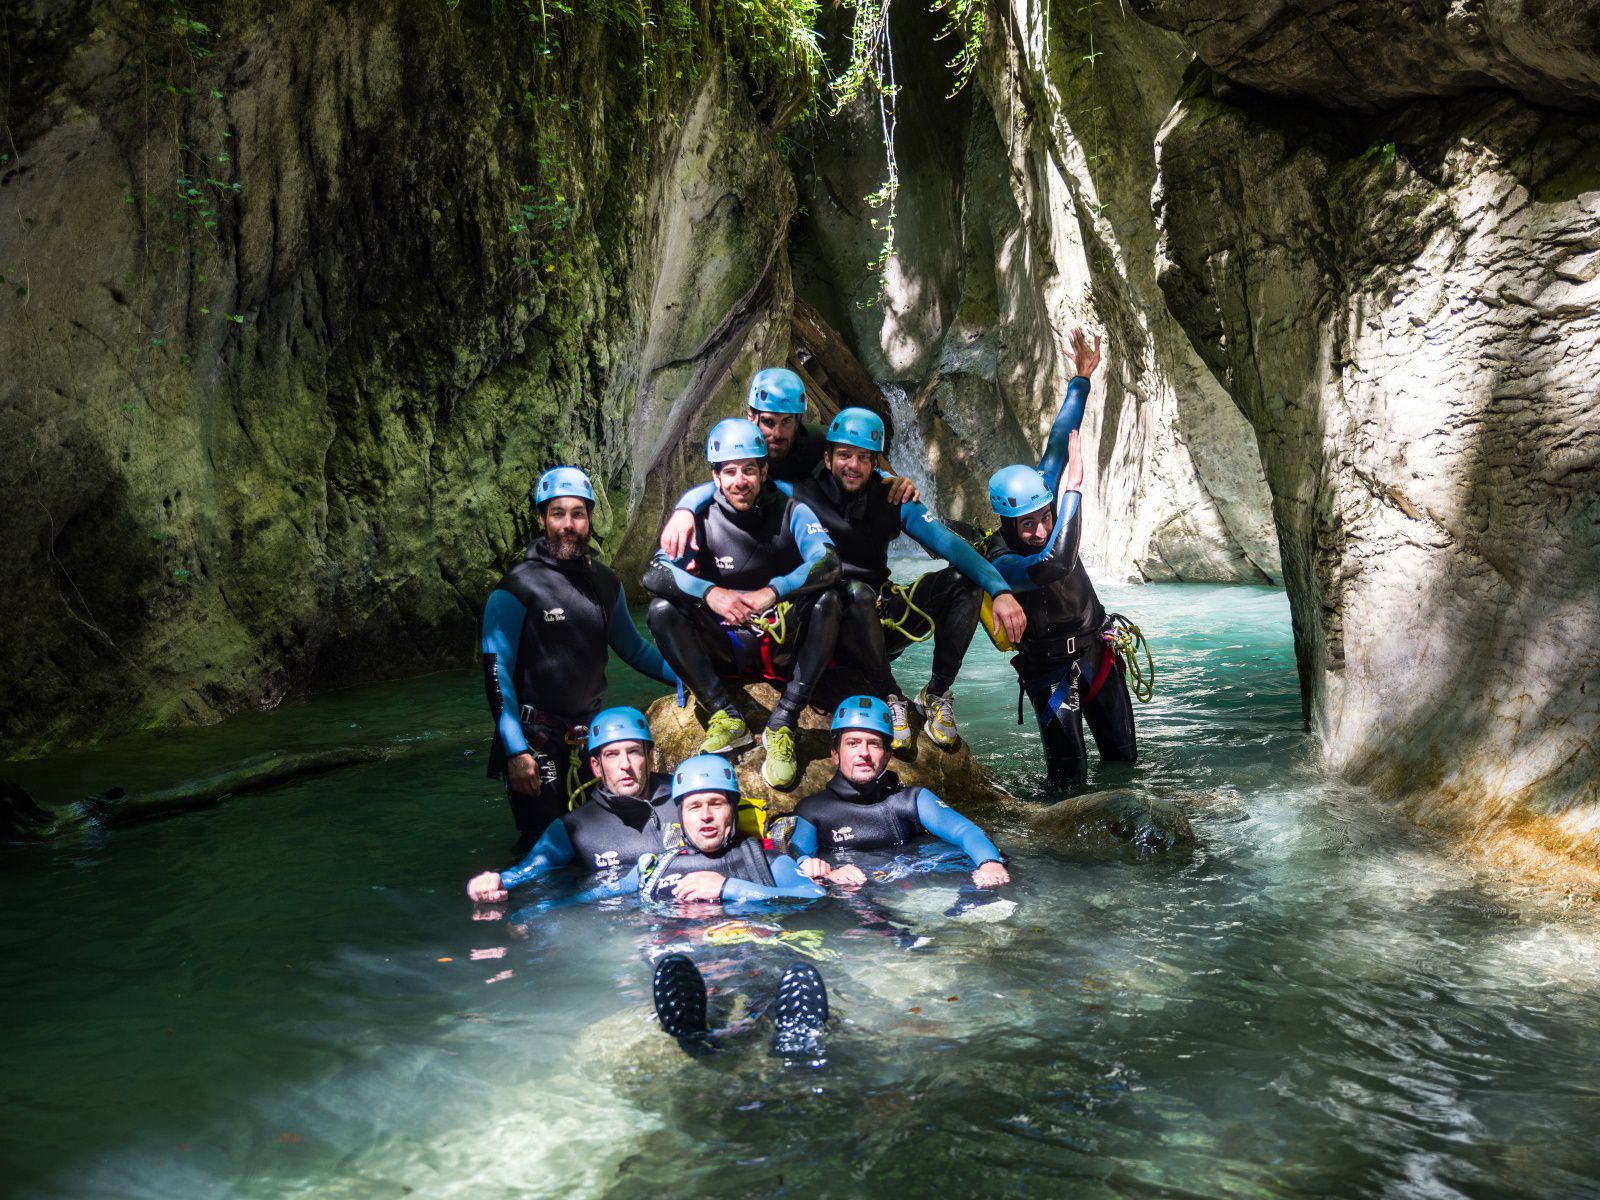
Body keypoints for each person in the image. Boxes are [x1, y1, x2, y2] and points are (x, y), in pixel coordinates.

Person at [517, 753, 831, 1054]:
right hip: (689, 959)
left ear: (732, 809)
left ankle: (791, 1034)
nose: (706, 815)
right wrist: (531, 914)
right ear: (681, 814)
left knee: (771, 976)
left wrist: (729, 888)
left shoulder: (767, 861)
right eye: (694, 806)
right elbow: (591, 899)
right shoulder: (654, 868)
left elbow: (814, 896)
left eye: (716, 804)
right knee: (679, 969)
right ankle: (694, 1029)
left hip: (751, 959)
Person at [644, 419, 842, 789]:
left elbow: (829, 563)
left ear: (764, 471)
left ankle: (784, 721)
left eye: (749, 469)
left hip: (780, 644)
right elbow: (654, 573)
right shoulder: (698, 519)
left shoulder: (792, 511)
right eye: (730, 471)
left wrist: (774, 590)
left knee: (829, 599)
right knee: (660, 609)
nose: (740, 480)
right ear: (715, 477)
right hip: (724, 646)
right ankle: (725, 716)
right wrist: (709, 592)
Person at [481, 466, 678, 839]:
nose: (567, 524)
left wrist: (689, 676)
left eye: (577, 513)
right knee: (544, 845)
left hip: (591, 737)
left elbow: (634, 649)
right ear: (542, 519)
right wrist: (515, 751)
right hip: (534, 740)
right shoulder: (516, 588)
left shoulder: (605, 583)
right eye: (557, 514)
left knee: (600, 843)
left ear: (589, 518)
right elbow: (497, 674)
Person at [985, 329, 1137, 789]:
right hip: (1049, 670)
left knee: (1124, 759)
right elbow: (1056, 562)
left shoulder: (1041, 490)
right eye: (1027, 525)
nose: (1041, 530)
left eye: (1045, 518)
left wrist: (1081, 379)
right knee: (1068, 777)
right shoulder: (1003, 557)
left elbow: (1058, 437)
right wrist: (1072, 492)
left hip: (1096, 651)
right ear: (1008, 524)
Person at [658, 367, 922, 557]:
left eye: (787, 422)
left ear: (799, 420)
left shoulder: (819, 442)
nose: (777, 434)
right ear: (752, 417)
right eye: (769, 422)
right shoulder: (743, 449)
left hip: (823, 541)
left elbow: (856, 468)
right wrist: (685, 508)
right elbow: (719, 487)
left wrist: (891, 480)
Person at [789, 696, 1011, 890]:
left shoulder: (911, 800)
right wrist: (826, 873)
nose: (863, 753)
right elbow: (794, 861)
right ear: (835, 754)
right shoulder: (812, 811)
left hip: (917, 888)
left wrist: (990, 863)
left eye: (874, 744)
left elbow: (965, 832)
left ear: (887, 755)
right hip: (855, 898)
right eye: (853, 743)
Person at [465, 707, 672, 902]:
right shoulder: (574, 828)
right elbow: (526, 872)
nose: (625, 765)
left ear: (650, 757)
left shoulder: (686, 801)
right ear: (596, 766)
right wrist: (495, 881)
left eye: (634, 752)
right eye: (612, 755)